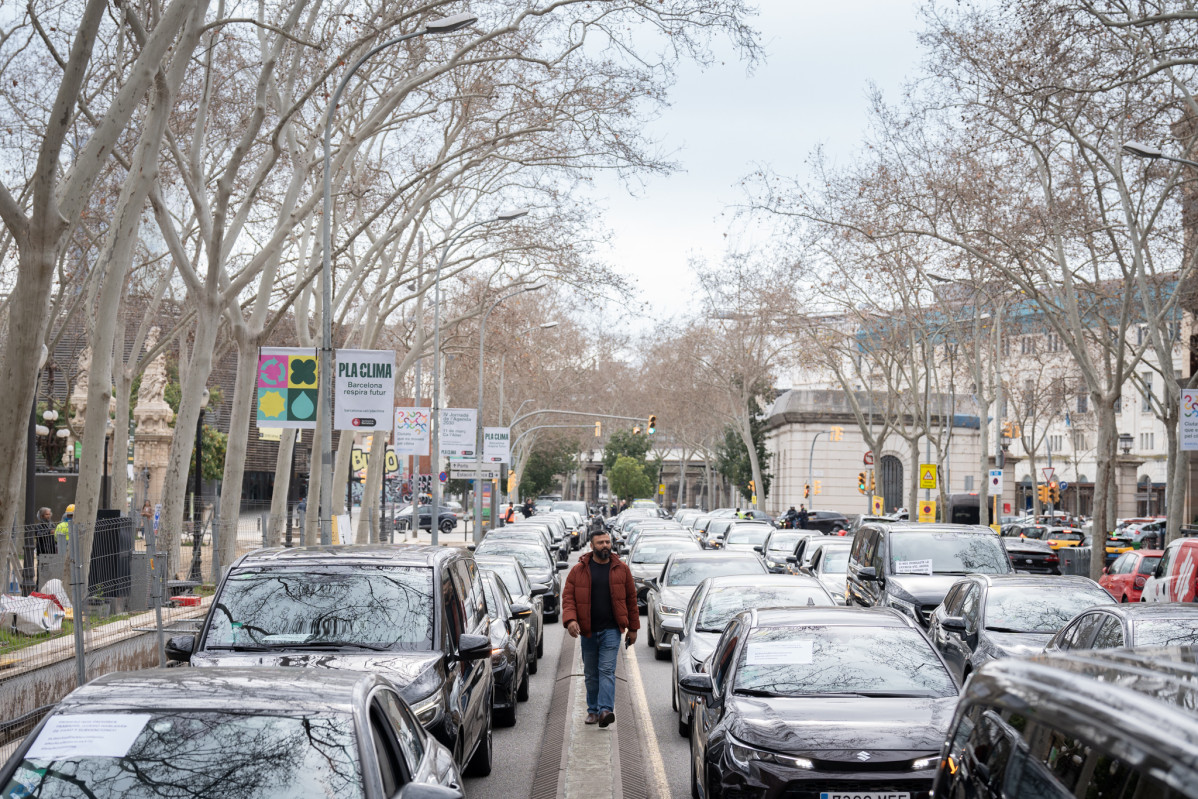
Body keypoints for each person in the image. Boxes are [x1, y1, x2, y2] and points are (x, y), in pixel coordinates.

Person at [562, 530, 638, 727]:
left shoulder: (621, 569)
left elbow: (631, 600)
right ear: (592, 546)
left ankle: (605, 711)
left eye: (607, 542)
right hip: (588, 631)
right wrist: (571, 620)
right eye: (600, 542)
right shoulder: (578, 570)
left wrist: (633, 628)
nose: (605, 545)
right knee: (591, 673)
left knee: (606, 670)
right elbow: (568, 598)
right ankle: (593, 711)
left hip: (611, 630)